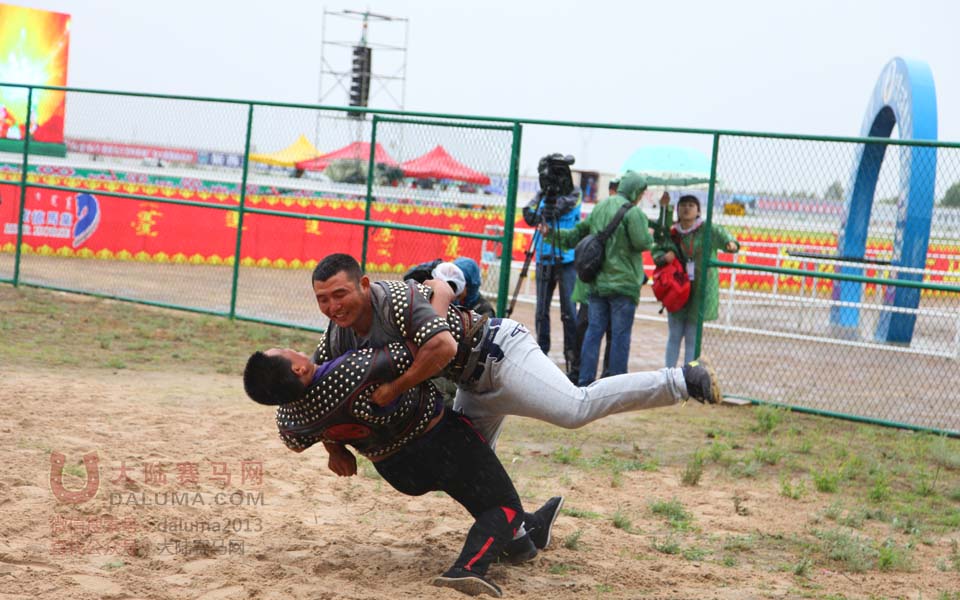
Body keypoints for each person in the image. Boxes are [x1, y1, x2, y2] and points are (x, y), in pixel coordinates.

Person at [310, 253, 722, 454]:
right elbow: (313, 391)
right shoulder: (337, 336)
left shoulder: (393, 298)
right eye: (323, 299)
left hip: (501, 351)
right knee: (469, 463)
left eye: (340, 294)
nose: (333, 306)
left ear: (363, 284)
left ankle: (683, 379)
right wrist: (333, 448)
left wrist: (396, 386)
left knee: (575, 409)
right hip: (470, 384)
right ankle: (520, 531)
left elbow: (440, 307)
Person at [244, 343, 563, 598]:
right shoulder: (354, 369)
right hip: (441, 441)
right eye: (288, 351)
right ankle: (467, 568)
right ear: (298, 368)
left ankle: (527, 538)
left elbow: (295, 443)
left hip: (397, 470)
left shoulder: (290, 419)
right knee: (505, 506)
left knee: (481, 495)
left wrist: (334, 446)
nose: (296, 349)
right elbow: (412, 351)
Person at [544, 171, 654, 385]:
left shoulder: (600, 207)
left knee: (593, 334)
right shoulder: (634, 213)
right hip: (624, 285)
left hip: (597, 284)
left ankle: (585, 380)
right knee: (620, 336)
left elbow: (577, 234)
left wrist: (551, 233)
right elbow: (642, 242)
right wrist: (650, 236)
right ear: (636, 191)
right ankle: (616, 384)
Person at [652, 193, 740, 367]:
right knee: (674, 335)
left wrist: (730, 244)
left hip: (700, 290)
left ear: (698, 211)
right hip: (677, 288)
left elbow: (727, 239)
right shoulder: (672, 232)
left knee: (692, 337)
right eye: (683, 205)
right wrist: (664, 257)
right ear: (677, 209)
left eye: (691, 205)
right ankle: (668, 373)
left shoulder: (707, 230)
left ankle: (688, 375)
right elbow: (658, 248)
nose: (686, 208)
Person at [521, 158, 581, 375]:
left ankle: (572, 360)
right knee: (541, 311)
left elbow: (558, 209)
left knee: (569, 312)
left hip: (566, 260)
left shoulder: (575, 193)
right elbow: (528, 215)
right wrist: (543, 200)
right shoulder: (543, 194)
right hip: (543, 257)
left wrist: (544, 206)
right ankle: (541, 355)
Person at [568, 178, 621, 383]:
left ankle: (603, 377)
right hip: (593, 285)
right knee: (586, 329)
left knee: (608, 332)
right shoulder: (599, 213)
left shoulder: (628, 216)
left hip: (610, 286)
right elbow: (579, 233)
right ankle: (579, 372)